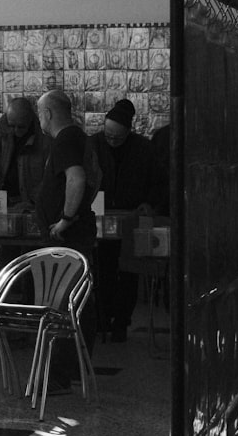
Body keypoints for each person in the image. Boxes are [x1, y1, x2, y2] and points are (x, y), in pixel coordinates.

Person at [34, 89, 97, 392]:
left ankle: (59, 375)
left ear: (47, 114)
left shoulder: (66, 140)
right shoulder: (77, 137)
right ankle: (73, 369)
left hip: (68, 238)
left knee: (62, 305)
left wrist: (65, 219)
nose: (39, 120)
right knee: (76, 304)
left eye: (39, 113)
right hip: (76, 236)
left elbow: (77, 178)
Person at [89, 98, 156, 342]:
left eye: (117, 138)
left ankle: (121, 322)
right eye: (108, 135)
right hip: (101, 216)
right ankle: (103, 318)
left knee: (129, 270)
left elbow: (156, 181)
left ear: (129, 131)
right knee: (103, 269)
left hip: (131, 219)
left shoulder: (144, 148)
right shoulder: (94, 144)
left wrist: (149, 202)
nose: (112, 141)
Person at [0, 97, 50, 210]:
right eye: (12, 126)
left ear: (30, 120)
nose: (15, 130)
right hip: (5, 196)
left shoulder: (43, 134)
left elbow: (48, 174)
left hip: (32, 201)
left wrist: (35, 201)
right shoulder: (3, 124)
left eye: (21, 126)